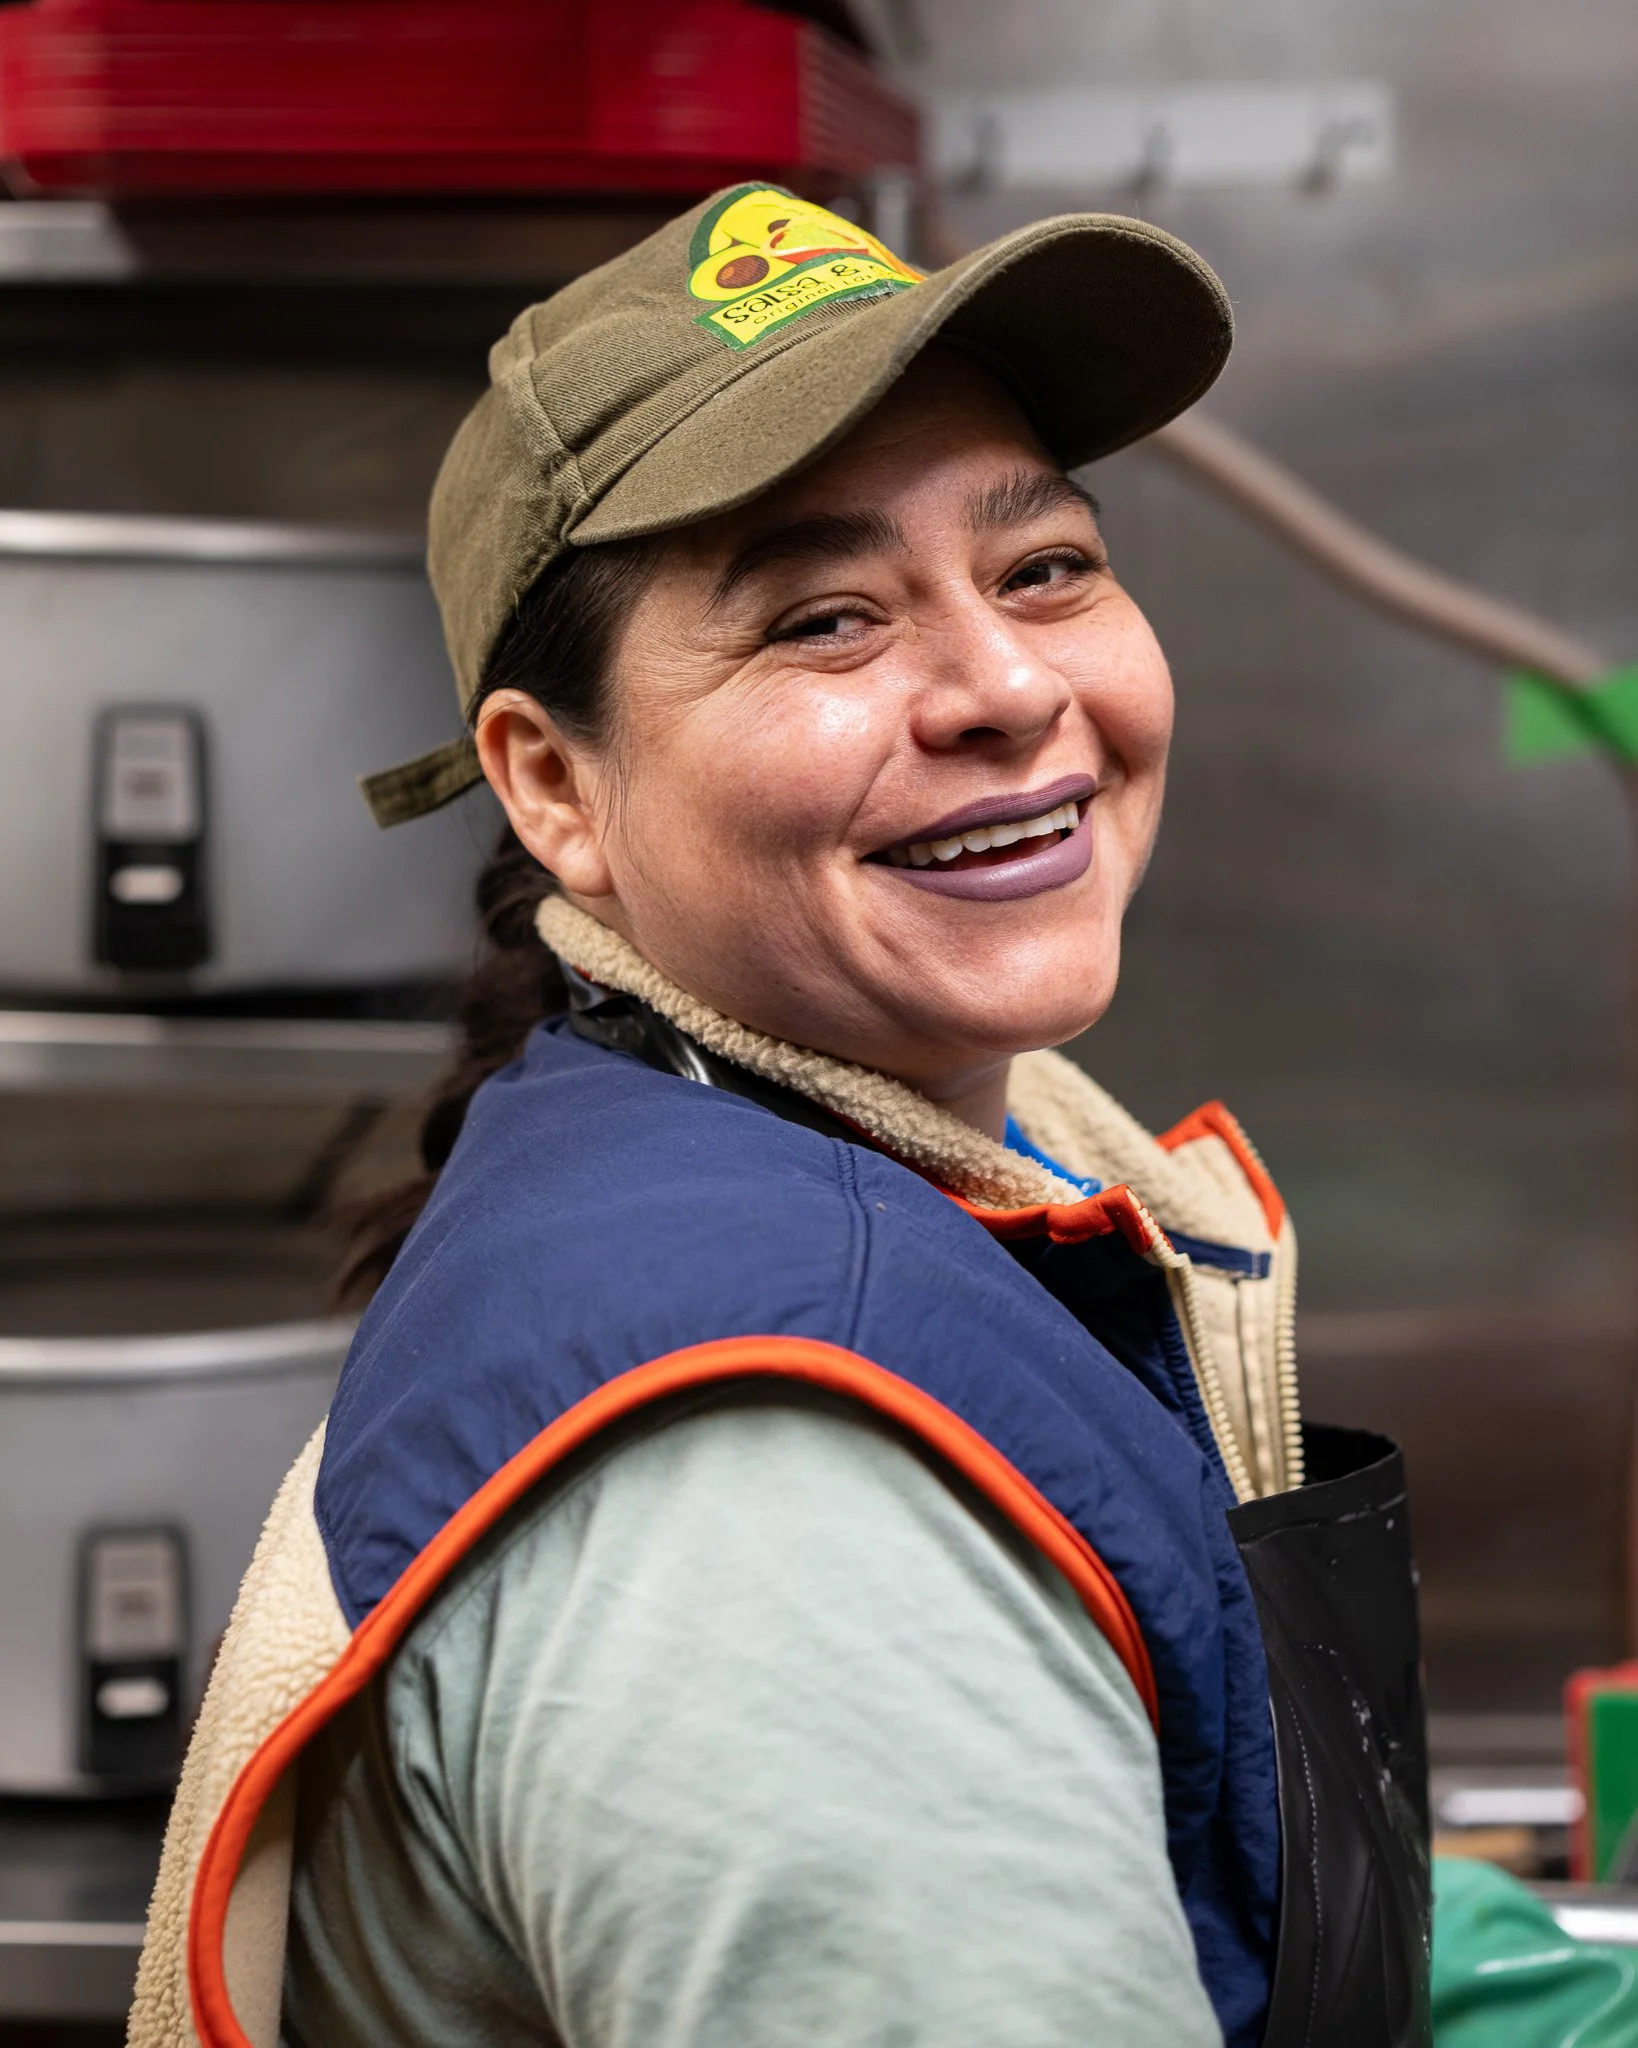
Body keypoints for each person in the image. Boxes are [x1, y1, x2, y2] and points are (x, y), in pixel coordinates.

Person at [129, 186, 1428, 2048]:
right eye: (824, 619)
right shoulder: (777, 1486)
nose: (1005, 685)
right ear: (557, 787)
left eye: (1045, 564)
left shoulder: (886, 1164)